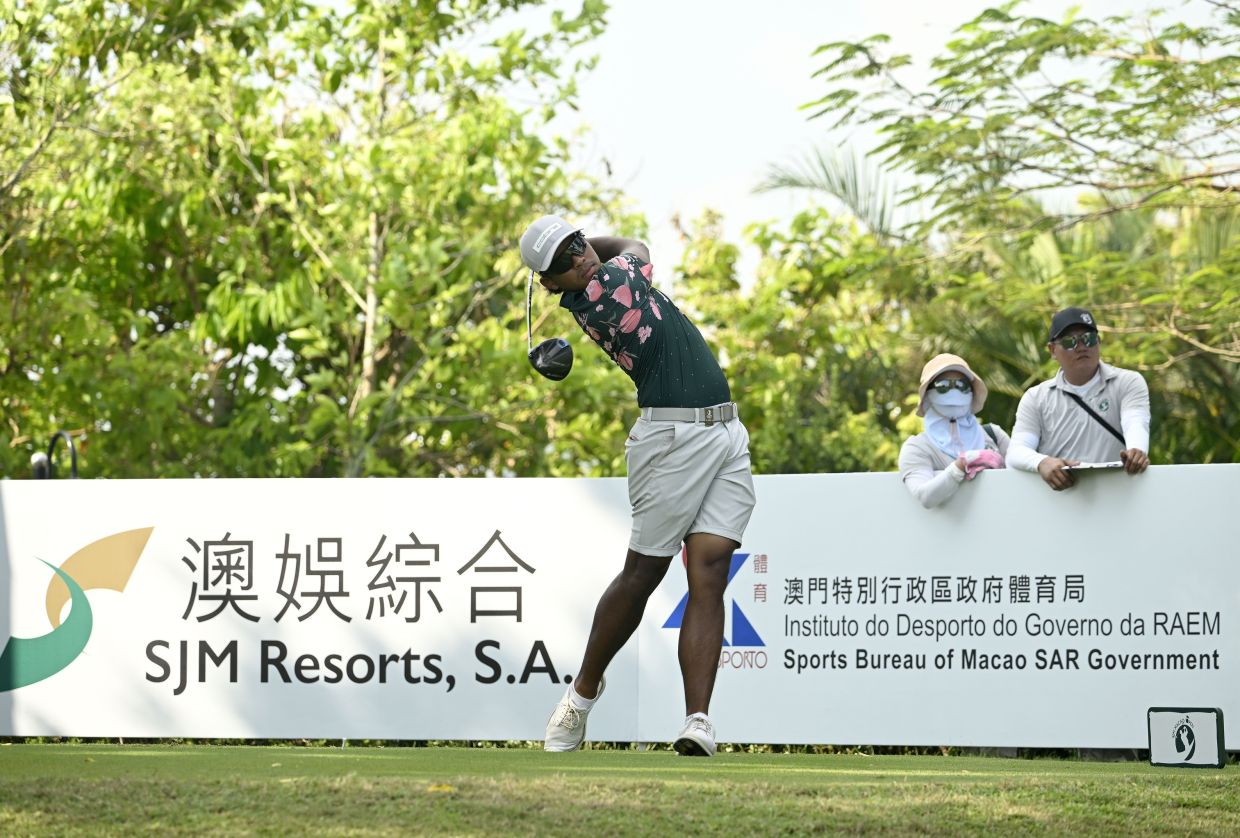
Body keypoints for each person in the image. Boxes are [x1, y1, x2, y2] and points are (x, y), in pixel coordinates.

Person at [518, 214, 756, 757]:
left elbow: (603, 253)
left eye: (577, 243)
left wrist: (568, 252)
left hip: (725, 430)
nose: (580, 256)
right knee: (644, 572)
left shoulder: (592, 277)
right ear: (551, 284)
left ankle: (698, 721)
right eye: (564, 260)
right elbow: (635, 243)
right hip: (671, 439)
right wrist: (588, 252)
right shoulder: (609, 289)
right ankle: (580, 696)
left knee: (711, 569)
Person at [1006, 307, 1150, 491]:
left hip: (1119, 496)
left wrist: (1137, 451)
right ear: (1052, 350)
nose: (1081, 347)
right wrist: (1042, 462)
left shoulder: (1127, 382)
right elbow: (1016, 451)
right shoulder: (1035, 398)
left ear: (1098, 341)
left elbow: (1136, 423)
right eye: (1070, 342)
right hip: (1059, 502)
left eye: (1088, 339)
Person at [898, 354, 1008, 508]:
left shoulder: (994, 435)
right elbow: (925, 496)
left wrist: (1001, 465)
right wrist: (961, 465)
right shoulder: (917, 448)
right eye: (942, 385)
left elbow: (1022, 478)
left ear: (972, 392)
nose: (954, 392)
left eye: (962, 385)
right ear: (927, 395)